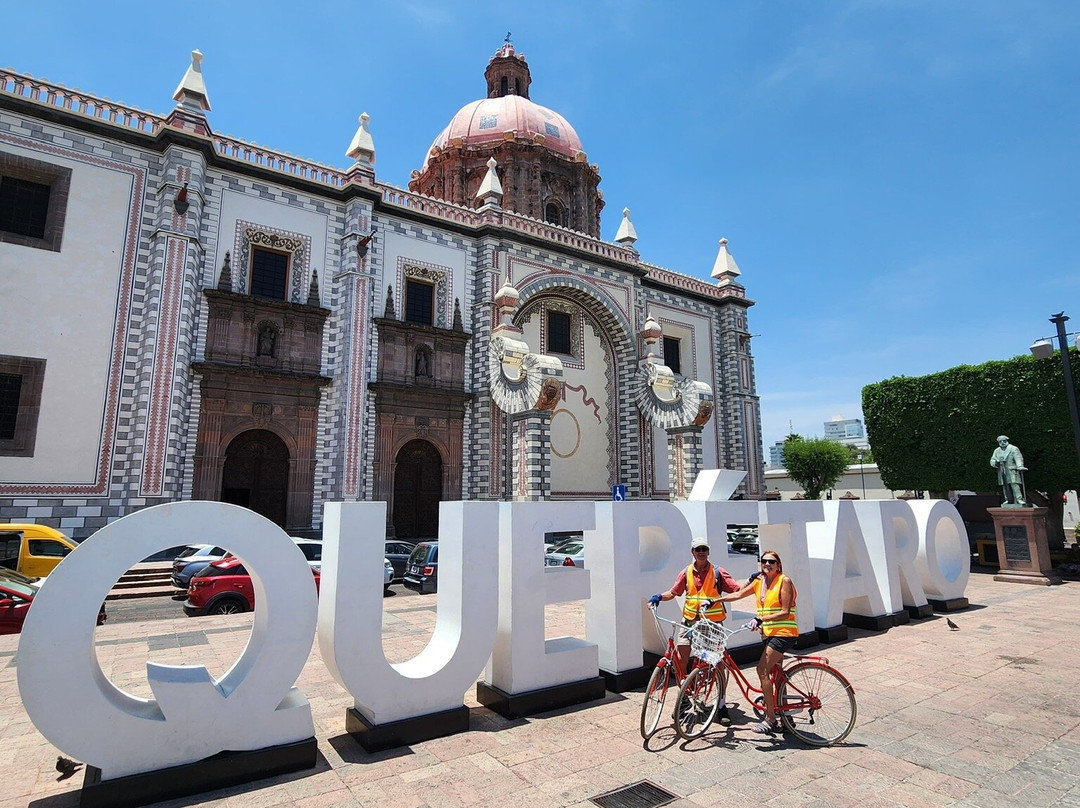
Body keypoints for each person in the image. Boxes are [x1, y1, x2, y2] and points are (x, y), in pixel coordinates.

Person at [649, 536, 739, 725]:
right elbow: (673, 592)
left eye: (704, 549)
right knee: (680, 662)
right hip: (689, 623)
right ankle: (685, 700)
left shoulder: (718, 572)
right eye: (697, 549)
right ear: (692, 552)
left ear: (708, 551)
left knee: (717, 664)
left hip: (711, 626)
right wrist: (658, 596)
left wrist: (753, 581)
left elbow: (736, 589)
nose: (701, 552)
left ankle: (721, 704)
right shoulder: (686, 572)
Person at [719, 549, 797, 734]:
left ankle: (770, 719)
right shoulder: (760, 581)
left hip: (784, 633)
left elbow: (785, 611)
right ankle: (786, 718)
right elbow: (738, 595)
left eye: (771, 561)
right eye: (764, 561)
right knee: (776, 675)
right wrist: (715, 600)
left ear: (779, 565)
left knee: (762, 669)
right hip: (768, 634)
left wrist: (762, 619)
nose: (767, 564)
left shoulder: (784, 581)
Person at [990, 435, 1027, 505]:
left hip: (1011, 469)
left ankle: (1019, 499)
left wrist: (1020, 466)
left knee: (1014, 484)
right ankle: (1008, 499)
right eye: (1000, 441)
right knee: (1005, 486)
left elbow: (1018, 458)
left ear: (1007, 441)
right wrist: (995, 463)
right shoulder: (997, 451)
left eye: (1004, 441)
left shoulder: (1013, 448)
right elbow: (992, 460)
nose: (1002, 442)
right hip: (1002, 470)